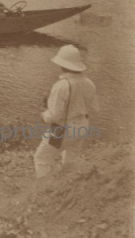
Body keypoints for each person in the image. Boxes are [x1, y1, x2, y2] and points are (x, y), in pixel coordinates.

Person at [33, 45, 100, 178]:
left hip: (62, 129)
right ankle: (68, 187)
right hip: (82, 125)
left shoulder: (61, 86)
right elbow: (95, 108)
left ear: (62, 65)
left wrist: (43, 115)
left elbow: (54, 116)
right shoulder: (89, 83)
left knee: (42, 158)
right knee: (71, 159)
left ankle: (45, 189)